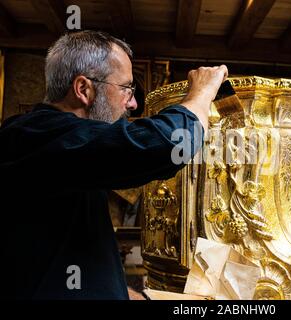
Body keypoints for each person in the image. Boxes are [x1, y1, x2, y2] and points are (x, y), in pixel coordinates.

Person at [0, 30, 228, 300]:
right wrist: (201, 92)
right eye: (126, 89)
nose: (132, 103)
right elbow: (169, 143)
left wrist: (132, 296)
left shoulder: (71, 147)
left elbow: (72, 258)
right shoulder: (37, 137)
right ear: (84, 89)